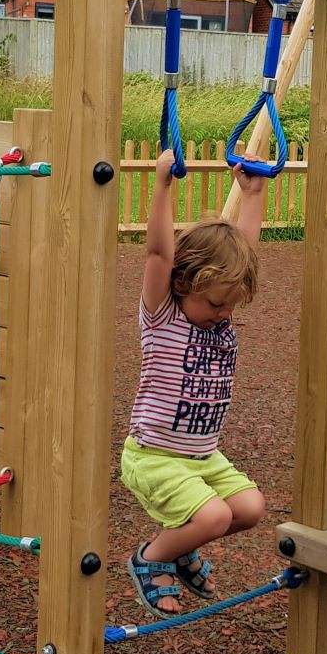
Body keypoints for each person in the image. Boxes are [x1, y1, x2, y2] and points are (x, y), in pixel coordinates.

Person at [123, 151, 269, 616]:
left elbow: (243, 254)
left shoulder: (218, 318)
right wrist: (162, 185)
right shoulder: (163, 317)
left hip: (202, 457)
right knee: (214, 515)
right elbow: (159, 253)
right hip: (153, 457)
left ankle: (180, 545)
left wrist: (253, 194)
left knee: (250, 509)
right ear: (183, 283)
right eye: (213, 303)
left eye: (230, 305)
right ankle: (151, 558)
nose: (223, 313)